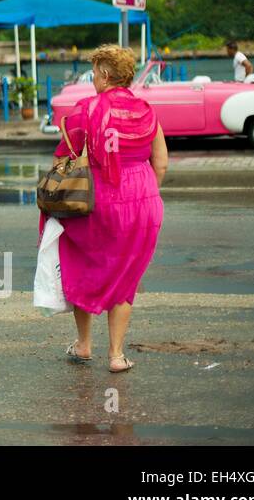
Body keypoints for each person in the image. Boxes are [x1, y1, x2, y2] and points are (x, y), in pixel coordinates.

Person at [45, 44, 168, 374]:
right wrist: (143, 193)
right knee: (125, 275)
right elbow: (162, 163)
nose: (92, 79)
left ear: (103, 74)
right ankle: (116, 355)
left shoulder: (85, 110)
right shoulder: (146, 110)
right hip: (143, 199)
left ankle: (84, 345)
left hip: (95, 199)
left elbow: (63, 158)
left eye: (94, 72)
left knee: (83, 266)